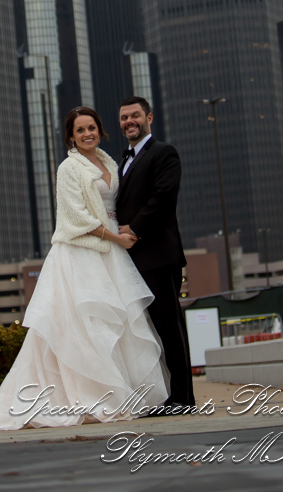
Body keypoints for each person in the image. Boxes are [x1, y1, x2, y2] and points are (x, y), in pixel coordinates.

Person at [0, 106, 167, 433]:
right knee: (83, 326)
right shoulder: (69, 168)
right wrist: (115, 237)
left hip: (112, 252)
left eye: (92, 128)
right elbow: (76, 218)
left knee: (116, 324)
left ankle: (121, 393)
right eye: (80, 130)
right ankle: (90, 393)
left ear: (100, 130)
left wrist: (123, 233)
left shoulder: (110, 163)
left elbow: (113, 206)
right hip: (81, 253)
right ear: (70, 137)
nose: (87, 134)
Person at [116, 96, 195, 408]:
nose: (129, 122)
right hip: (133, 260)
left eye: (135, 116)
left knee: (169, 327)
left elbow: (163, 197)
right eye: (124, 118)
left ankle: (183, 398)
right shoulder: (123, 160)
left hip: (159, 256)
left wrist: (134, 228)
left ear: (149, 117)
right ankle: (164, 394)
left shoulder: (164, 153)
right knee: (149, 331)